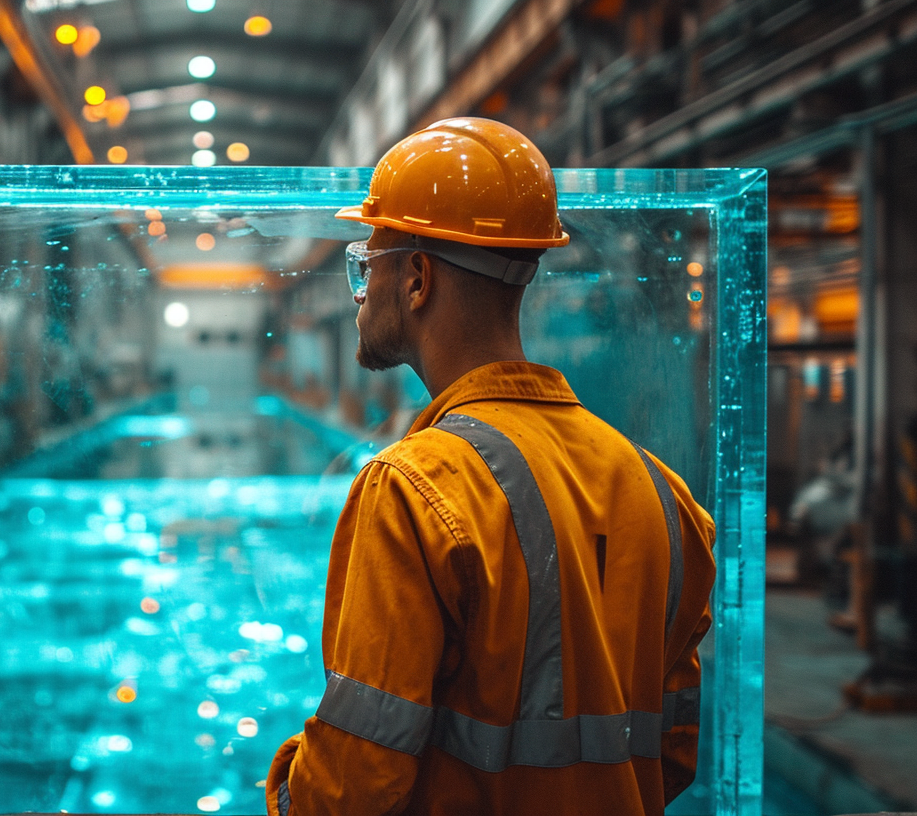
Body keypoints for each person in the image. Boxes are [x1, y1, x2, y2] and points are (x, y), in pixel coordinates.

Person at [264, 118, 717, 816]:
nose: (359, 293)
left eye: (367, 263)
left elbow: (352, 789)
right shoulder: (662, 492)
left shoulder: (413, 488)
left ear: (416, 278)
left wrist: (289, 782)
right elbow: (676, 750)